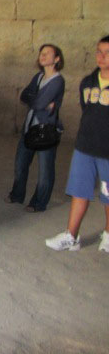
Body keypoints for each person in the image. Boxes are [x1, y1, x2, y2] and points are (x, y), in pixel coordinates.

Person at [46, 35, 109, 252]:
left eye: (107, 53)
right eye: (99, 51)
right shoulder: (88, 82)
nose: (101, 56)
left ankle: (108, 235)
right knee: (79, 190)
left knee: (108, 194)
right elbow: (87, 110)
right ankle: (71, 236)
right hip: (85, 147)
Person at [5, 44, 65, 212]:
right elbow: (25, 95)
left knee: (45, 170)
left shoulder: (58, 81)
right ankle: (17, 194)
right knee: (20, 164)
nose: (42, 56)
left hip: (46, 130)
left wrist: (38, 100)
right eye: (41, 53)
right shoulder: (38, 77)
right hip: (29, 128)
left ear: (57, 59)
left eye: (47, 53)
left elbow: (37, 102)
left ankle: (38, 203)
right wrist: (41, 101)